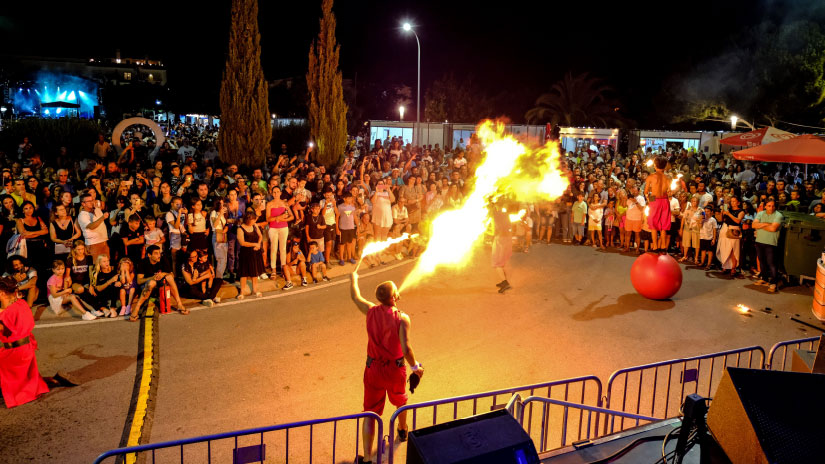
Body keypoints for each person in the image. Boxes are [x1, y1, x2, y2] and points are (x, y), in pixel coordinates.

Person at [349, 270, 422, 464]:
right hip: (395, 369)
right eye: (396, 291)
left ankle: (367, 459)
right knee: (400, 401)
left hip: (373, 369)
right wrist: (415, 367)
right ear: (393, 297)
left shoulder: (370, 310)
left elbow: (355, 297)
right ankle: (402, 430)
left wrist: (353, 280)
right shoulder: (402, 318)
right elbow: (406, 348)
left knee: (370, 413)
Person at [0, 276, 50, 408]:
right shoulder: (21, 304)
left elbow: (5, 321)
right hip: (27, 349)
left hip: (16, 353)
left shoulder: (7, 314)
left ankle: (15, 393)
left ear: (1, 293)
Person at [130, 245, 187, 321]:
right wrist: (152, 278)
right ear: (149, 255)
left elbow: (172, 275)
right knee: (152, 283)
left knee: (169, 277)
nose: (159, 255)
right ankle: (137, 308)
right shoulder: (143, 262)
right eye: (156, 253)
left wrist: (163, 274)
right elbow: (139, 281)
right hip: (147, 286)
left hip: (160, 284)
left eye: (159, 253)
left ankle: (179, 304)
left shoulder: (163, 259)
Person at [753, 199, 783, 293]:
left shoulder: (778, 215)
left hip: (771, 242)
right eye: (769, 205)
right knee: (762, 261)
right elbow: (754, 225)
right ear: (765, 206)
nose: (771, 208)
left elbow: (773, 228)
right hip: (759, 241)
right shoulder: (761, 213)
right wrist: (767, 224)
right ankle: (764, 279)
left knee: (772, 263)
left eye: (773, 206)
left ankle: (773, 283)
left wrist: (760, 225)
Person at [644, 156, 672, 252]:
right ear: (665, 166)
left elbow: (646, 192)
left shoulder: (651, 177)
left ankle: (655, 246)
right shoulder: (668, 177)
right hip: (665, 201)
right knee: (663, 225)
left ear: (655, 165)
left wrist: (651, 201)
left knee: (653, 224)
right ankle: (663, 246)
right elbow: (670, 192)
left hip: (655, 200)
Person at [236, 210, 266, 297]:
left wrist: (258, 245)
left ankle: (255, 289)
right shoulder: (240, 228)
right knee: (244, 273)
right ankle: (242, 291)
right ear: (248, 219)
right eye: (253, 219)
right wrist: (254, 244)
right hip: (245, 253)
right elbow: (242, 242)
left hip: (255, 252)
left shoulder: (255, 225)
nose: (254, 221)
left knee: (254, 272)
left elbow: (260, 236)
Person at [77, 191, 110, 261]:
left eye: (92, 200)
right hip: (93, 244)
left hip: (104, 242)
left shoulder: (97, 209)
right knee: (95, 266)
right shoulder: (82, 215)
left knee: (106, 265)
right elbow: (91, 226)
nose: (92, 202)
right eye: (89, 201)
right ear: (83, 203)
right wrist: (102, 218)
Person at [490, 201, 513, 293]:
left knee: (497, 263)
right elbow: (510, 227)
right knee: (501, 261)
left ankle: (505, 283)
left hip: (499, 240)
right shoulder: (506, 214)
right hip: (507, 239)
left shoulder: (494, 216)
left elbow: (493, 232)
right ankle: (503, 281)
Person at [698, 205, 718, 271]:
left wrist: (714, 239)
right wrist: (701, 220)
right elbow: (699, 226)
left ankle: (708, 264)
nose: (706, 213)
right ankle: (702, 262)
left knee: (710, 251)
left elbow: (715, 229)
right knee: (703, 250)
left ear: (711, 212)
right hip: (702, 236)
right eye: (705, 211)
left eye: (708, 211)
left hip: (710, 237)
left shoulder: (713, 220)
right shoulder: (702, 218)